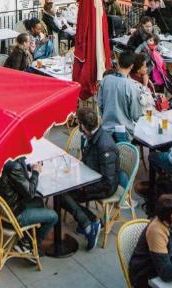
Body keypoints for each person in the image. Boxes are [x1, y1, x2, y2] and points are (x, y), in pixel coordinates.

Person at [57, 107, 118, 250]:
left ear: (84, 126)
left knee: (62, 195)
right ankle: (91, 220)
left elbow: (107, 181)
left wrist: (84, 187)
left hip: (103, 187)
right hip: (89, 179)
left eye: (80, 125)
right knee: (61, 192)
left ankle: (88, 224)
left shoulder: (104, 146)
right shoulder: (91, 136)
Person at [0, 157, 59, 251]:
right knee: (53, 216)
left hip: (0, 209)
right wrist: (36, 172)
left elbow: (17, 172)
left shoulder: (4, 157)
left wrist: (29, 167)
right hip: (12, 216)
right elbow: (30, 193)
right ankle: (29, 246)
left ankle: (26, 238)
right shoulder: (14, 166)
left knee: (39, 202)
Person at [98, 49, 144, 141]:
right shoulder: (132, 87)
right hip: (124, 134)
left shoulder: (105, 80)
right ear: (131, 66)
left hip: (106, 131)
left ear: (118, 63)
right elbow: (136, 115)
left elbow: (100, 105)